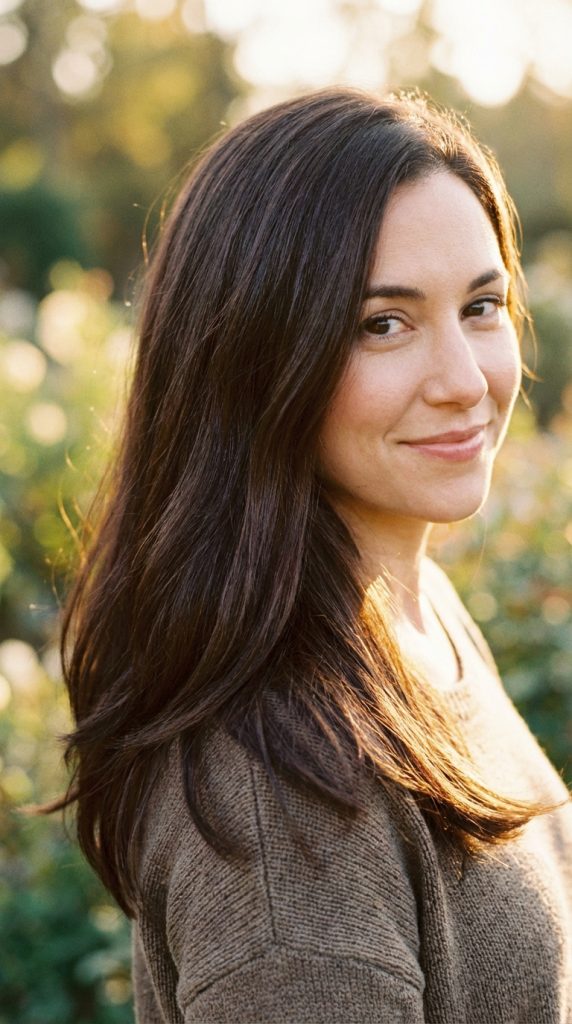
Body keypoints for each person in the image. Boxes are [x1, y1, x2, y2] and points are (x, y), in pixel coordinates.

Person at [54, 88, 571, 1022]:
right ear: (256, 354)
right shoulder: (281, 806)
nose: (465, 380)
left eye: (482, 305)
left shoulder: (412, 610)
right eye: (384, 323)